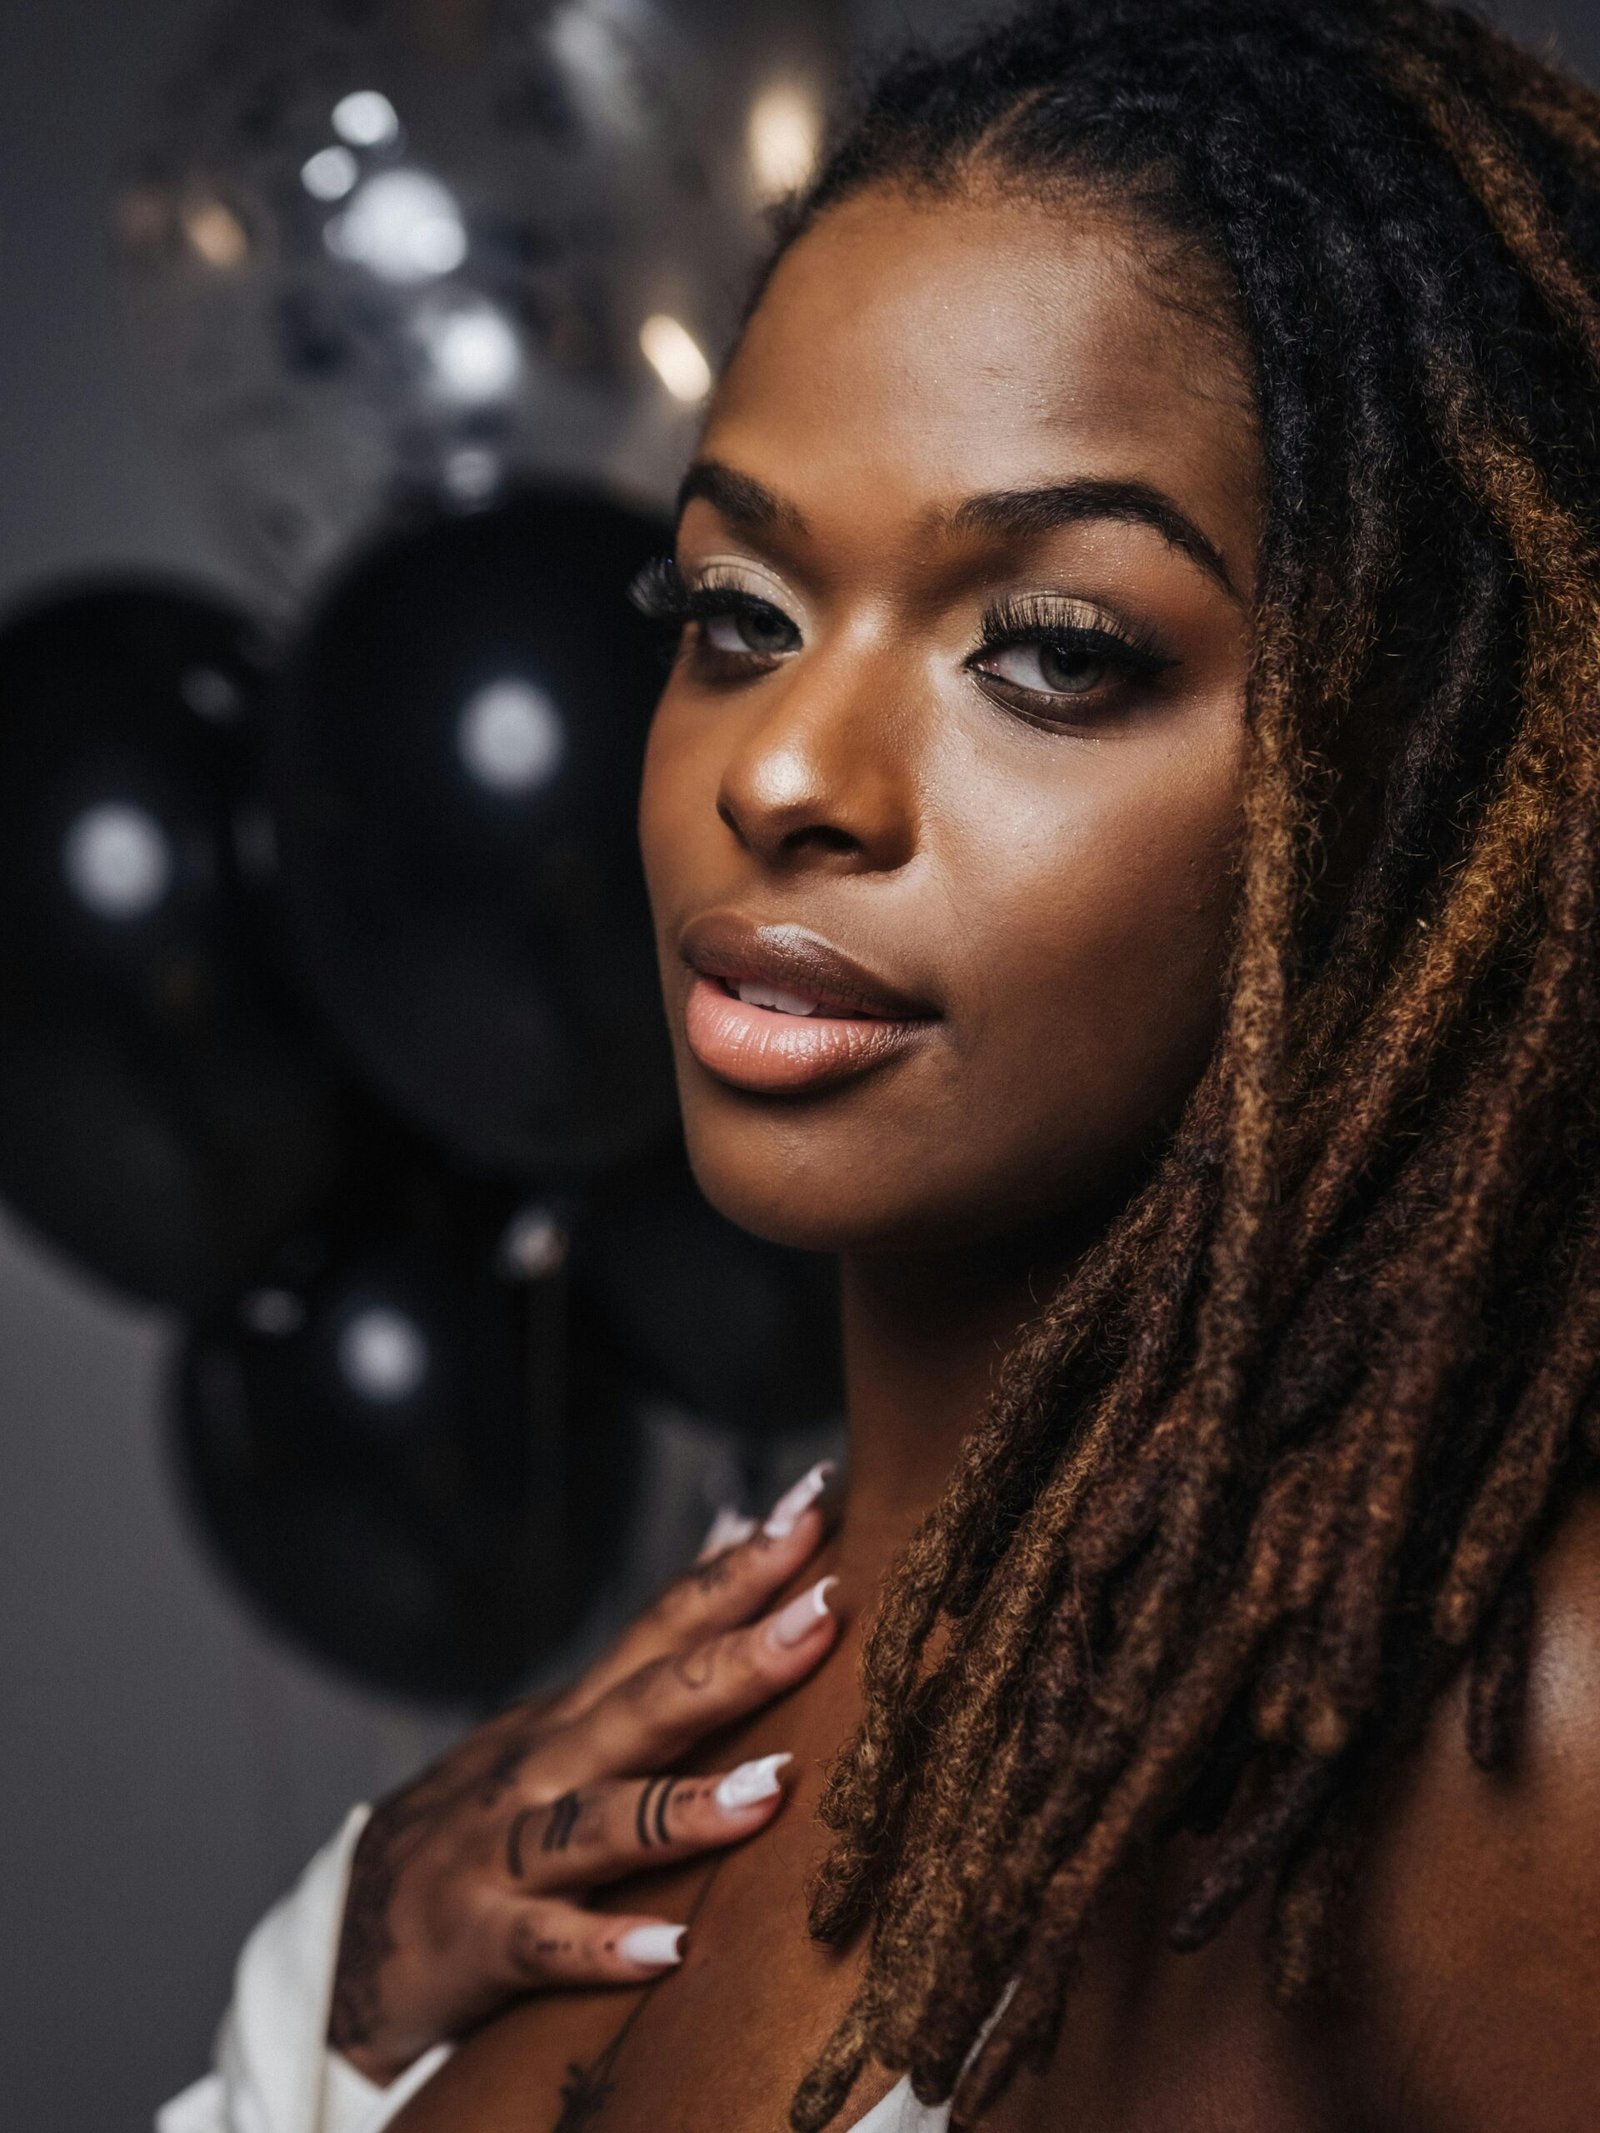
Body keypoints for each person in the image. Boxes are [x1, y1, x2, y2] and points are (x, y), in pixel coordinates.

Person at [162, 0, 1600, 2127]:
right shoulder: (593, 1799)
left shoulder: (1511, 1747)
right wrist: (325, 2021)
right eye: (734, 608)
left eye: (1050, 650)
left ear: (1422, 784)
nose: (789, 773)